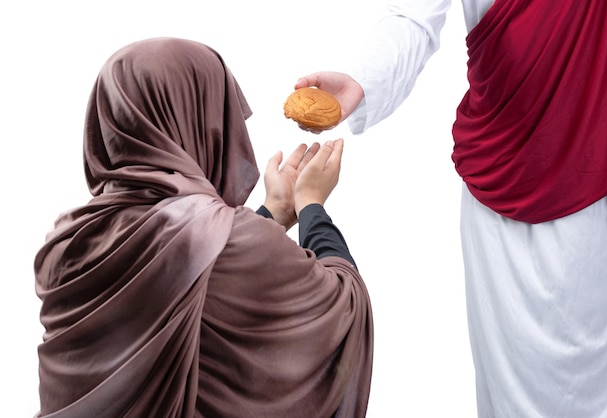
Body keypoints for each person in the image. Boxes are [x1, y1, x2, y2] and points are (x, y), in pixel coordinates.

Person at [295, 1, 607, 417]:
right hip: (498, 187)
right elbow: (413, 18)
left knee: (601, 381)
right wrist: (361, 80)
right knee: (509, 383)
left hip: (600, 182)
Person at [34, 37, 373, 418]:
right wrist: (311, 206)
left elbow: (195, 275)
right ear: (199, 119)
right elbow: (344, 310)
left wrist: (273, 212)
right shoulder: (229, 240)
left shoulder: (66, 244)